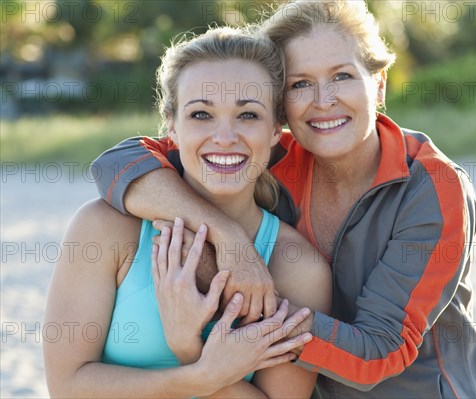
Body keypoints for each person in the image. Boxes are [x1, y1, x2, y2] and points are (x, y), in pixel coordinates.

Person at [91, 0, 476, 397]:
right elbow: (119, 161)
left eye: (341, 76)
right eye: (300, 84)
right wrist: (230, 240)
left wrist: (239, 306)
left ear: (379, 82)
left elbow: (379, 354)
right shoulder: (271, 153)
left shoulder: (434, 187)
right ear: (280, 107)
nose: (323, 100)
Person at [44, 26, 331, 398]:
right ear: (171, 128)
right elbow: (67, 387)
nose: (225, 137)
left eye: (247, 115)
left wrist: (188, 348)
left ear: (276, 129)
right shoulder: (104, 230)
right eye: (201, 115)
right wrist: (198, 377)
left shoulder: (298, 268)